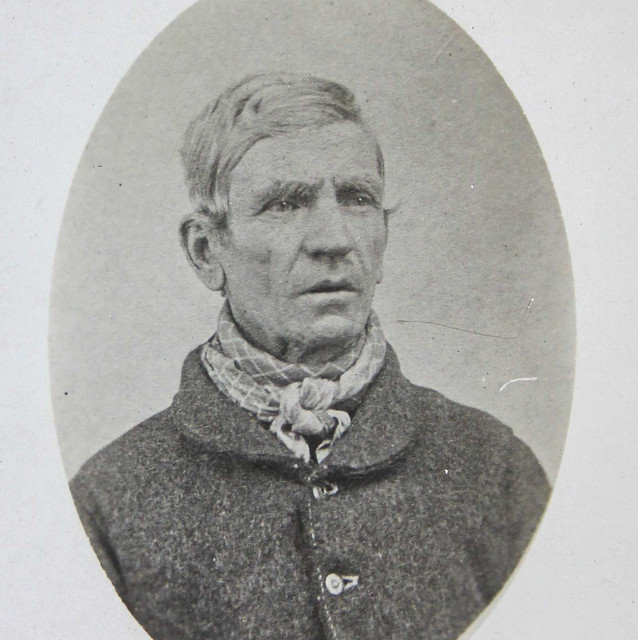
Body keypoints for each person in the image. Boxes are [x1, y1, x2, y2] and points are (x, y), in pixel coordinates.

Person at [70, 73, 550, 640]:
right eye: (285, 203)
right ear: (206, 251)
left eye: (357, 198)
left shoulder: (493, 471)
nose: (334, 238)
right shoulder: (110, 504)